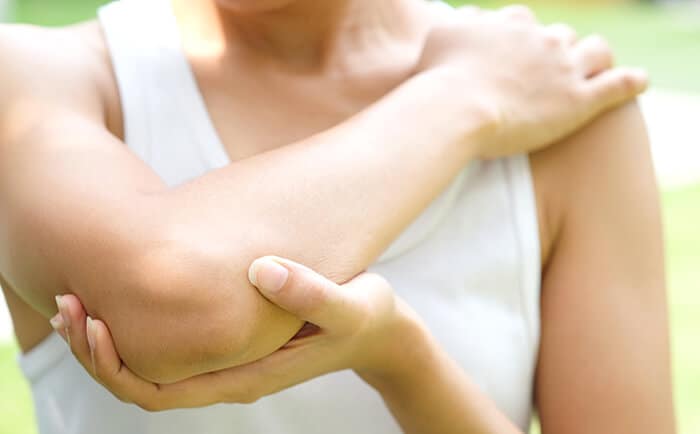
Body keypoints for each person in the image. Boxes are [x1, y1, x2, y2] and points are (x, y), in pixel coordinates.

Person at [0, 0, 673, 433]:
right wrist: (461, 101)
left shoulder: (568, 111)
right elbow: (181, 311)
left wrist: (404, 362)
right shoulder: (37, 78)